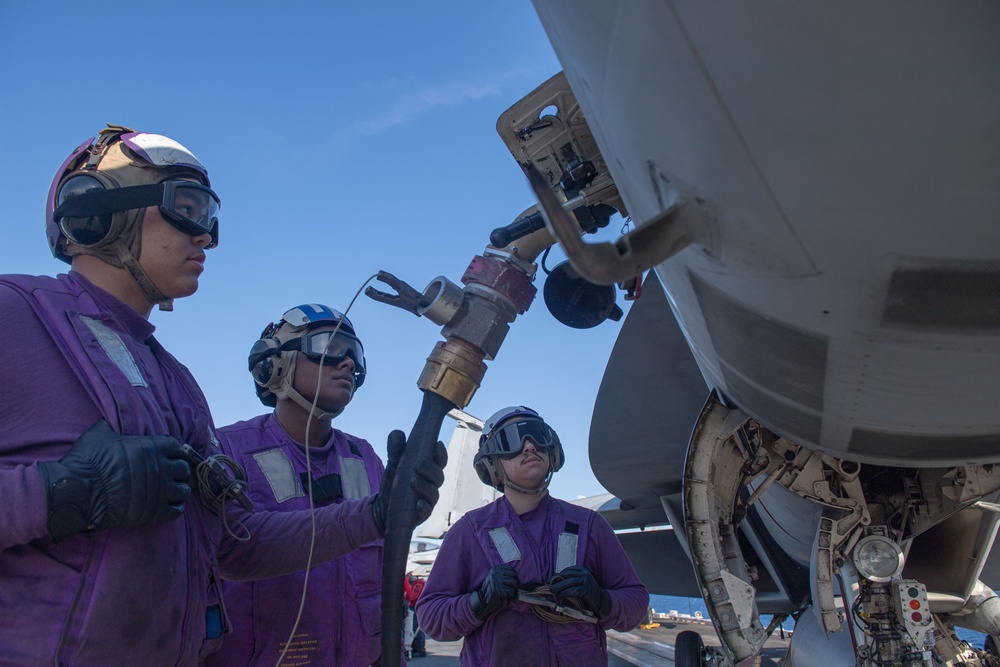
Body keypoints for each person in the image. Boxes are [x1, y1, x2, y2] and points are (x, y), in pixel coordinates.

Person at [0, 124, 445, 666]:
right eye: (187, 207)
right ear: (95, 209)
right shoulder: (16, 316)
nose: (206, 235)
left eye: (210, 218)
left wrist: (374, 515)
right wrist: (60, 493)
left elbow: (234, 544)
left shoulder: (177, 384)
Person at [205, 304, 389, 666]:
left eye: (356, 353)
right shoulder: (227, 451)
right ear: (273, 365)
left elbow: (384, 582)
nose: (348, 362)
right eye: (329, 346)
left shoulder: (367, 460)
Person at [416, 406, 650, 666]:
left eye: (536, 435)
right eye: (511, 440)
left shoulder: (590, 526)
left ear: (553, 451)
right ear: (492, 464)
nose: (529, 446)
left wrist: (601, 599)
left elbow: (635, 604)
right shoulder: (469, 532)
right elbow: (431, 617)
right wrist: (479, 601)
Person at [404, 573, 427, 658]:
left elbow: (413, 597)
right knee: (416, 629)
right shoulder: (420, 584)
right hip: (418, 607)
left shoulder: (418, 585)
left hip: (416, 607)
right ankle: (418, 648)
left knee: (415, 629)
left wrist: (406, 595)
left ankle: (419, 649)